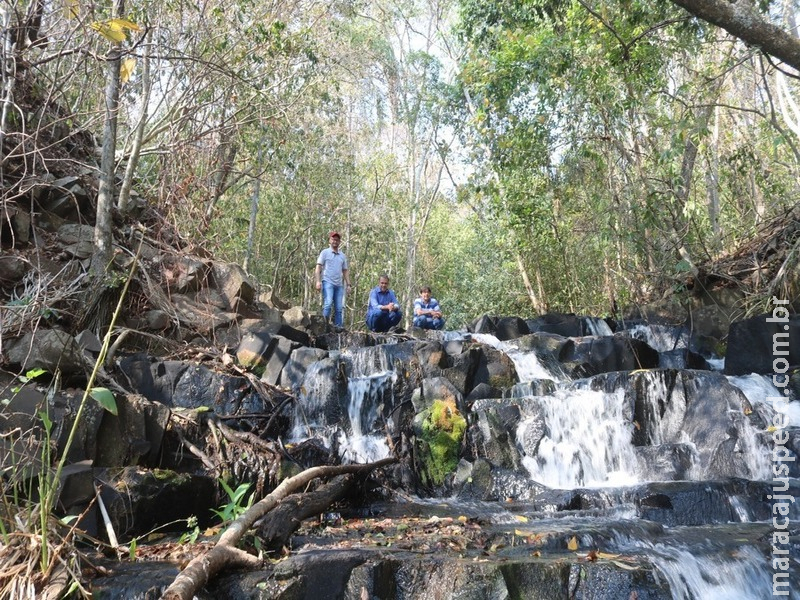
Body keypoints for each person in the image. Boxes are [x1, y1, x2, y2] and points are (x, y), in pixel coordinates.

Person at [315, 231, 351, 329]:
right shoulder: (325, 252)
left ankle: (338, 328)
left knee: (339, 308)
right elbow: (318, 267)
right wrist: (318, 281)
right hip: (327, 282)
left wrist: (348, 285)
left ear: (339, 242)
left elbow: (345, 270)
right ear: (330, 240)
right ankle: (324, 327)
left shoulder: (342, 256)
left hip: (339, 284)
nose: (335, 241)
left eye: (337, 240)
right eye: (333, 239)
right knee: (328, 304)